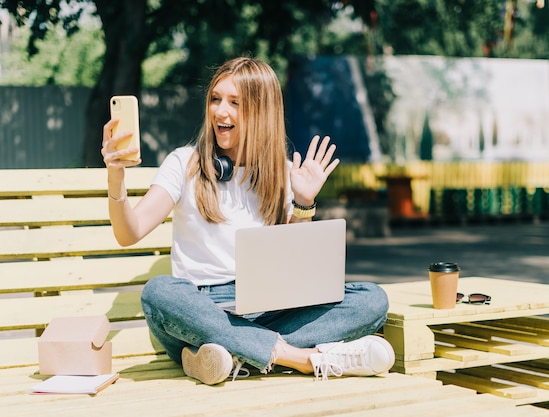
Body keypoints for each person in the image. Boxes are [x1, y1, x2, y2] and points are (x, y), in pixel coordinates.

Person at [101, 56, 394, 385]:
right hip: (200, 310)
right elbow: (129, 233)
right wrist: (116, 176)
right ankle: (301, 358)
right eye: (215, 99)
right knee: (159, 293)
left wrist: (304, 201)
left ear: (260, 111)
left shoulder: (283, 172)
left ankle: (225, 355)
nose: (220, 112)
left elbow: (292, 262)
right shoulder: (184, 163)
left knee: (372, 300)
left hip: (268, 307)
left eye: (235, 103)